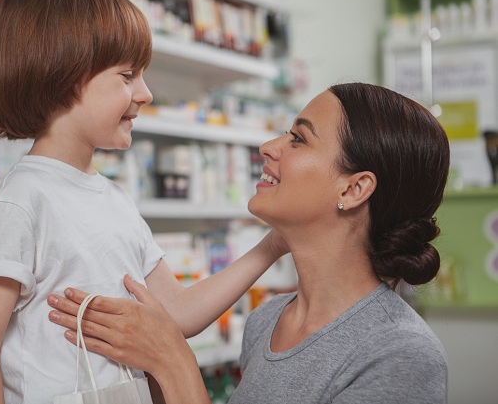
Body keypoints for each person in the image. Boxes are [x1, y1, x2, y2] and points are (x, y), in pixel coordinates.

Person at [0, 0, 287, 404]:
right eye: (127, 75)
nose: (145, 94)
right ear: (62, 75)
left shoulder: (114, 200)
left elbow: (177, 314)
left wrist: (271, 247)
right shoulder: (26, 199)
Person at [47, 82, 451, 404]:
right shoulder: (267, 321)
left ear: (355, 187)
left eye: (298, 139)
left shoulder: (400, 353)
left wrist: (173, 361)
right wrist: (147, 365)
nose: (268, 147)